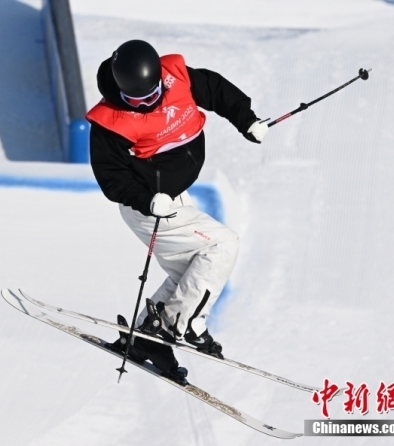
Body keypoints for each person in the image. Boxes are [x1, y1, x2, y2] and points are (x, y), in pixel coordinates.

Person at [86, 39, 267, 382]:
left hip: (173, 198)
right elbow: (110, 177)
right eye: (137, 101)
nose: (148, 104)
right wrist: (147, 200)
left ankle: (145, 339)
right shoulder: (111, 121)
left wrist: (248, 120)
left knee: (192, 273)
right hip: (150, 208)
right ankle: (183, 324)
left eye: (153, 95)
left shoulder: (176, 77)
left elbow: (216, 89)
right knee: (222, 245)